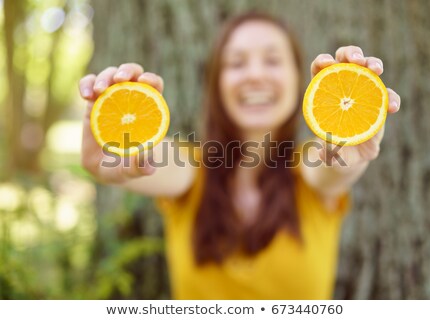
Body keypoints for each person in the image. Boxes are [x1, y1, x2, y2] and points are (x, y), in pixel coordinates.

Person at [79, 12, 401, 299]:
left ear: (298, 79)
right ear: (216, 83)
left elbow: (332, 167)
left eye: (273, 60)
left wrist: (349, 146)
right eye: (236, 63)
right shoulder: (191, 169)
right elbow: (147, 159)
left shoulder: (309, 169)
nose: (255, 75)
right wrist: (111, 152)